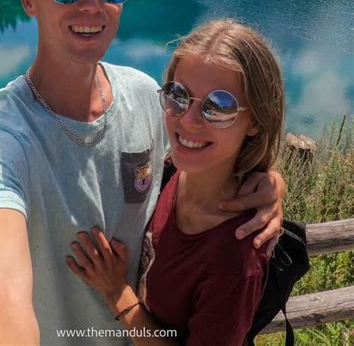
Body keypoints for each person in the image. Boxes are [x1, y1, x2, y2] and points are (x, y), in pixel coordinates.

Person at [0, 0, 285, 346]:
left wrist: (267, 180)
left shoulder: (146, 96)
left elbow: (210, 153)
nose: (92, 4)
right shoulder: (0, 143)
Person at [68, 20, 285, 345]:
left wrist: (117, 293)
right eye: (178, 95)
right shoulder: (171, 170)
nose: (189, 119)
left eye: (219, 106)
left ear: (255, 119)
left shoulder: (234, 256)